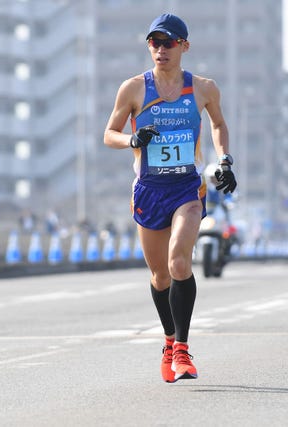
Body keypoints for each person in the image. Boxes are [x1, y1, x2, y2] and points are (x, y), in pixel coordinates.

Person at [104, 13, 237, 383]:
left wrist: (224, 158)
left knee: (180, 263)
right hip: (149, 190)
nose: (160, 49)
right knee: (160, 275)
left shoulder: (203, 87)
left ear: (184, 46)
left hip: (186, 189)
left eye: (169, 43)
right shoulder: (133, 88)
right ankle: (167, 340)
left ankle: (182, 348)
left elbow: (218, 123)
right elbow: (109, 133)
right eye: (154, 43)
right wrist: (131, 140)